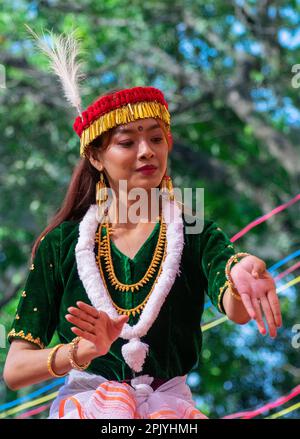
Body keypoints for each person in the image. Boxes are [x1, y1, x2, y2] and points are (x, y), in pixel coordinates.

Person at [3, 32, 282, 419]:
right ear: (97, 158)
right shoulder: (62, 244)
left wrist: (242, 272)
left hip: (172, 416)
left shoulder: (194, 230)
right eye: (127, 142)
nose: (147, 151)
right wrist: (82, 352)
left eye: (156, 138)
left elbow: (234, 309)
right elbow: (15, 370)